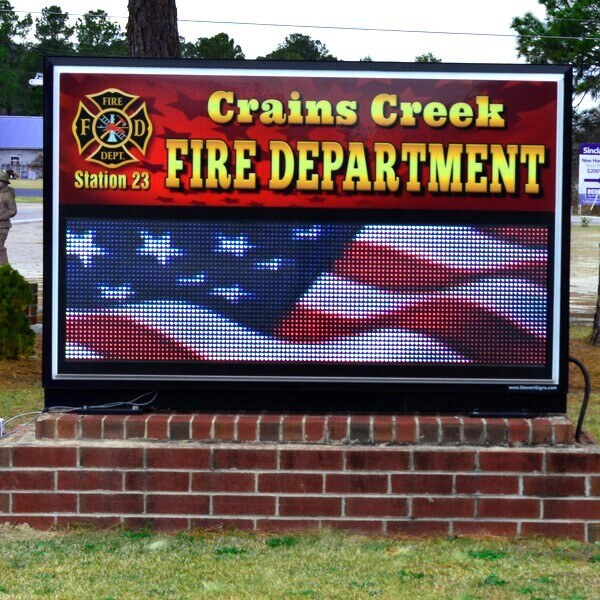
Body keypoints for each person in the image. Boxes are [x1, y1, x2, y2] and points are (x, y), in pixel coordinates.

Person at [0, 170, 17, 265]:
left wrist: (1, 217)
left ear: (3, 182)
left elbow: (12, 210)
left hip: (3, 226)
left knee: (0, 247)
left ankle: (4, 267)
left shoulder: (8, 194)